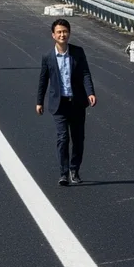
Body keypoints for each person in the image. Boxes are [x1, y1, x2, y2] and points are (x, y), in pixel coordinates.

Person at [36, 19, 97, 186]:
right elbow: (43, 80)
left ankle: (74, 170)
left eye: (65, 31)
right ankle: (63, 173)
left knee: (78, 139)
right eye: (59, 32)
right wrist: (39, 101)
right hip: (59, 104)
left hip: (76, 103)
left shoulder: (78, 52)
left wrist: (90, 93)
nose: (62, 35)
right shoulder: (48, 57)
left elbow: (85, 73)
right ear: (53, 35)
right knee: (63, 138)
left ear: (69, 33)